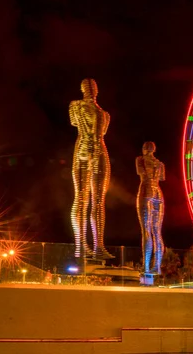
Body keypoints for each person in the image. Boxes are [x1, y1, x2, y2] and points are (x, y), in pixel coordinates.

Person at [69, 78, 113, 259]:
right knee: (81, 197)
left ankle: (98, 246)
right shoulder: (76, 106)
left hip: (99, 152)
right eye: (87, 86)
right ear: (82, 89)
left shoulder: (105, 114)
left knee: (98, 200)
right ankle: (80, 245)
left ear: (97, 90)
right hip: (84, 150)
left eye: (93, 86)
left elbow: (101, 133)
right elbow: (75, 123)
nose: (90, 88)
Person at [136, 142, 166, 274]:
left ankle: (146, 266)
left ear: (144, 149)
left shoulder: (140, 160)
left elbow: (141, 173)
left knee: (146, 230)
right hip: (158, 194)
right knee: (157, 232)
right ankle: (157, 267)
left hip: (146, 191)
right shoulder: (160, 164)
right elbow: (162, 178)